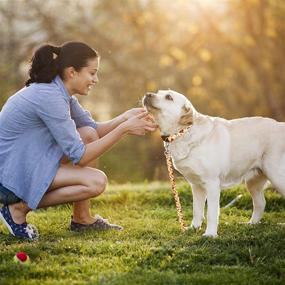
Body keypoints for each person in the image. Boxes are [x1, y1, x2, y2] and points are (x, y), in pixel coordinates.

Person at [0, 41, 156, 241]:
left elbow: (94, 131)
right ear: (72, 72)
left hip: (28, 162)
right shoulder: (50, 97)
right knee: (96, 182)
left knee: (88, 134)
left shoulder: (59, 92)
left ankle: (82, 219)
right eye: (92, 73)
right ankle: (18, 208)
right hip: (8, 180)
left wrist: (123, 118)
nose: (96, 79)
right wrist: (124, 129)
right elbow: (80, 156)